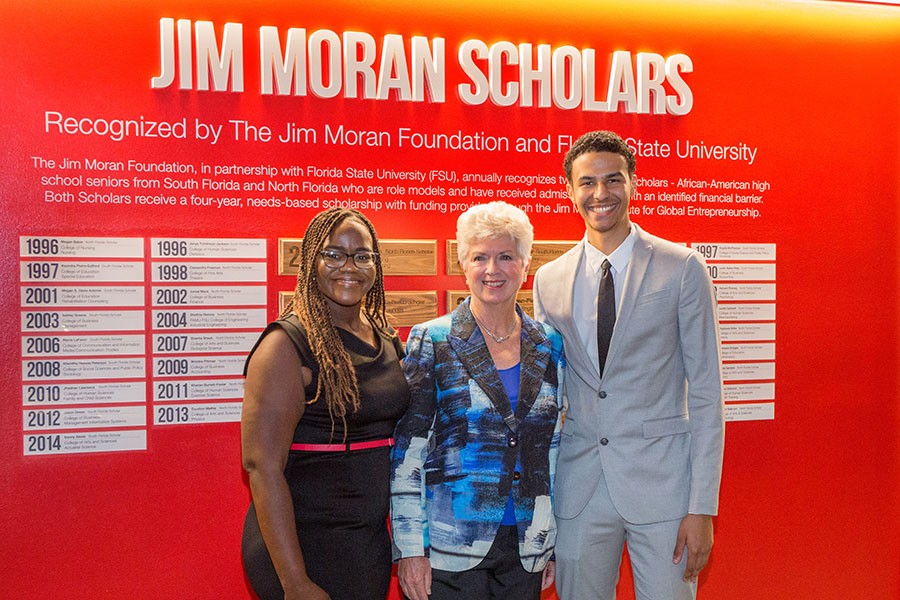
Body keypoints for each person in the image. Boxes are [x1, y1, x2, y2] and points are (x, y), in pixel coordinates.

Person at [532, 130, 725, 600]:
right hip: (579, 490)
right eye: (588, 182)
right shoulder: (548, 279)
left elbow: (705, 391)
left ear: (634, 183)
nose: (601, 194)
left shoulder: (682, 267)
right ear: (570, 190)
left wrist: (702, 506)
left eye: (613, 179)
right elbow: (546, 394)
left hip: (664, 490)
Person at [391, 201, 566, 600]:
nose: (492, 269)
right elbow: (409, 452)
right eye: (480, 257)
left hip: (527, 546)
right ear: (463, 265)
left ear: (524, 264)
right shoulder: (432, 340)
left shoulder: (550, 345)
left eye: (505, 256)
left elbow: (552, 449)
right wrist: (410, 549)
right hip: (450, 547)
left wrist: (549, 540)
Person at [240, 207, 411, 600]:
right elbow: (261, 467)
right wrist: (295, 583)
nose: (348, 266)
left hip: (364, 543)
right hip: (302, 546)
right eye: (333, 254)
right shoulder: (285, 345)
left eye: (361, 255)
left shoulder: (385, 337)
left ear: (375, 264)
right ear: (312, 261)